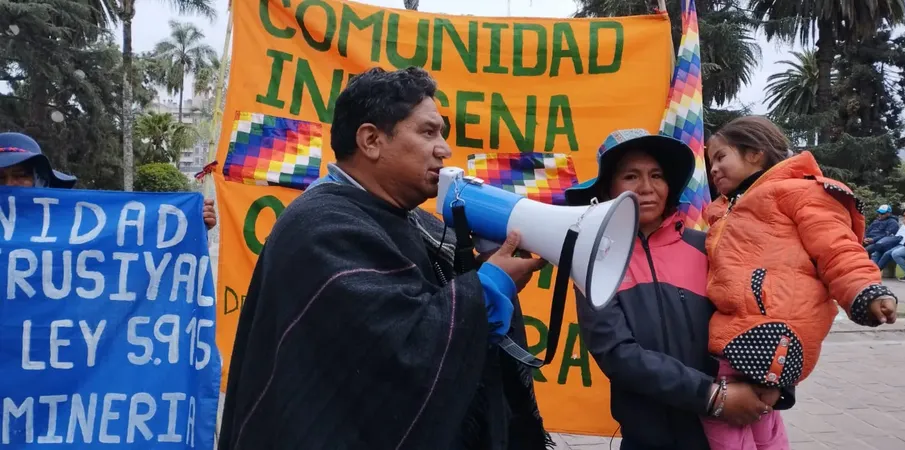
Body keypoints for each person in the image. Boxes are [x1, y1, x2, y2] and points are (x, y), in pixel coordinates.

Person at [216, 67, 554, 450]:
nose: (444, 149)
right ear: (371, 140)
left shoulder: (412, 221)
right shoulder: (320, 228)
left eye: (441, 134)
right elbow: (398, 351)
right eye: (428, 132)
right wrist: (489, 286)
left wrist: (483, 264)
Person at [566, 129, 793, 450]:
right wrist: (711, 396)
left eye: (657, 175)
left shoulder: (712, 246)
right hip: (648, 439)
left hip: (728, 435)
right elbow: (616, 354)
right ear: (607, 188)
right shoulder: (594, 261)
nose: (646, 188)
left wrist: (777, 384)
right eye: (631, 176)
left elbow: (768, 317)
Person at [703, 116, 898, 450]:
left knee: (721, 414)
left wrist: (865, 291)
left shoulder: (798, 191)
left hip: (766, 331)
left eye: (721, 157)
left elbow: (837, 248)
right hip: (744, 330)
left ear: (755, 154)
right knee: (762, 416)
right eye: (711, 163)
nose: (714, 169)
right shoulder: (727, 209)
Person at [0, 131, 218, 229]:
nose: (9, 185)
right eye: (1, 178)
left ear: (40, 180)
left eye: (21, 176)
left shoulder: (70, 225)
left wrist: (188, 223)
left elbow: (130, 248)